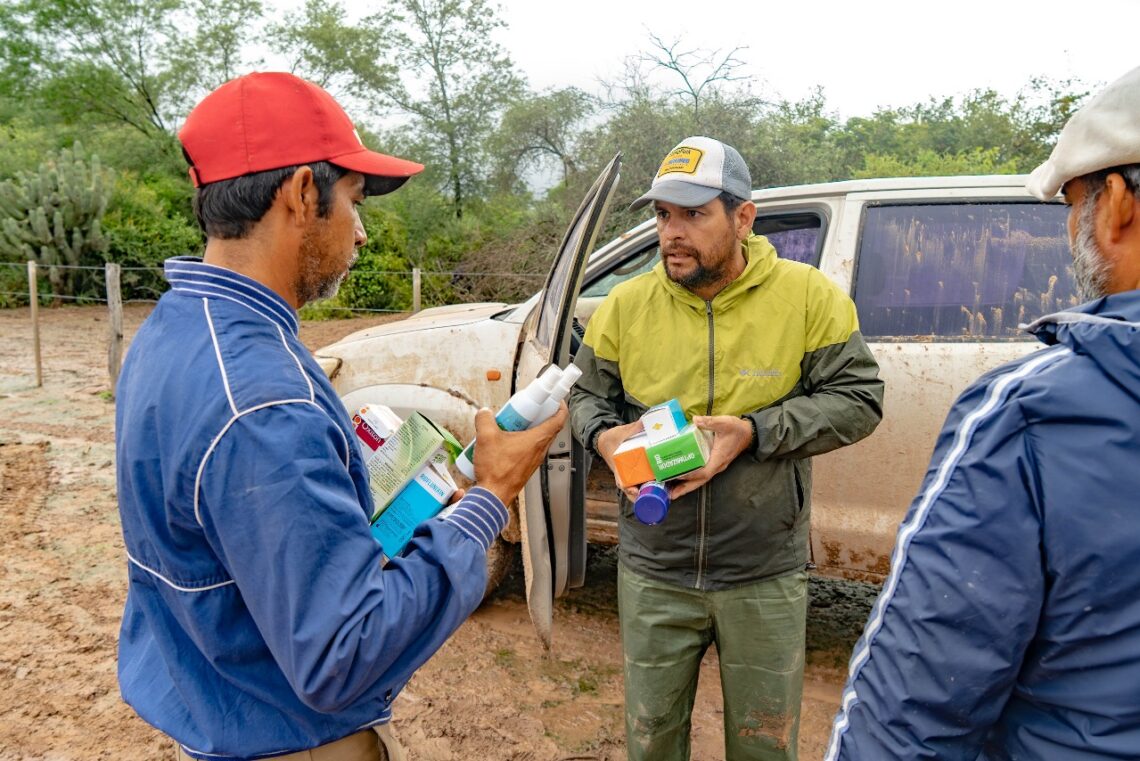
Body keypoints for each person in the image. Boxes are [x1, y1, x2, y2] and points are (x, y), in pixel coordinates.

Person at [114, 72, 568, 761]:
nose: (359, 233)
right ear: (301, 193)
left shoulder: (171, 334)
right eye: (354, 200)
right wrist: (489, 497)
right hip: (289, 741)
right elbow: (344, 654)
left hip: (217, 712)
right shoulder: (265, 400)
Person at [825, 66, 1140, 761]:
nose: (1068, 229)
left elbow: (916, 706)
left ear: (1116, 203)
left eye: (1071, 204)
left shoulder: (1034, 412)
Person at [569, 136, 884, 760]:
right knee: (651, 741)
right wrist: (603, 437)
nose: (672, 234)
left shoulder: (808, 297)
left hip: (763, 571)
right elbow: (584, 398)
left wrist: (755, 432)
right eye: (662, 215)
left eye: (693, 214)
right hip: (655, 566)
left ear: (743, 217)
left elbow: (859, 401)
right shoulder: (625, 306)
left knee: (764, 747)